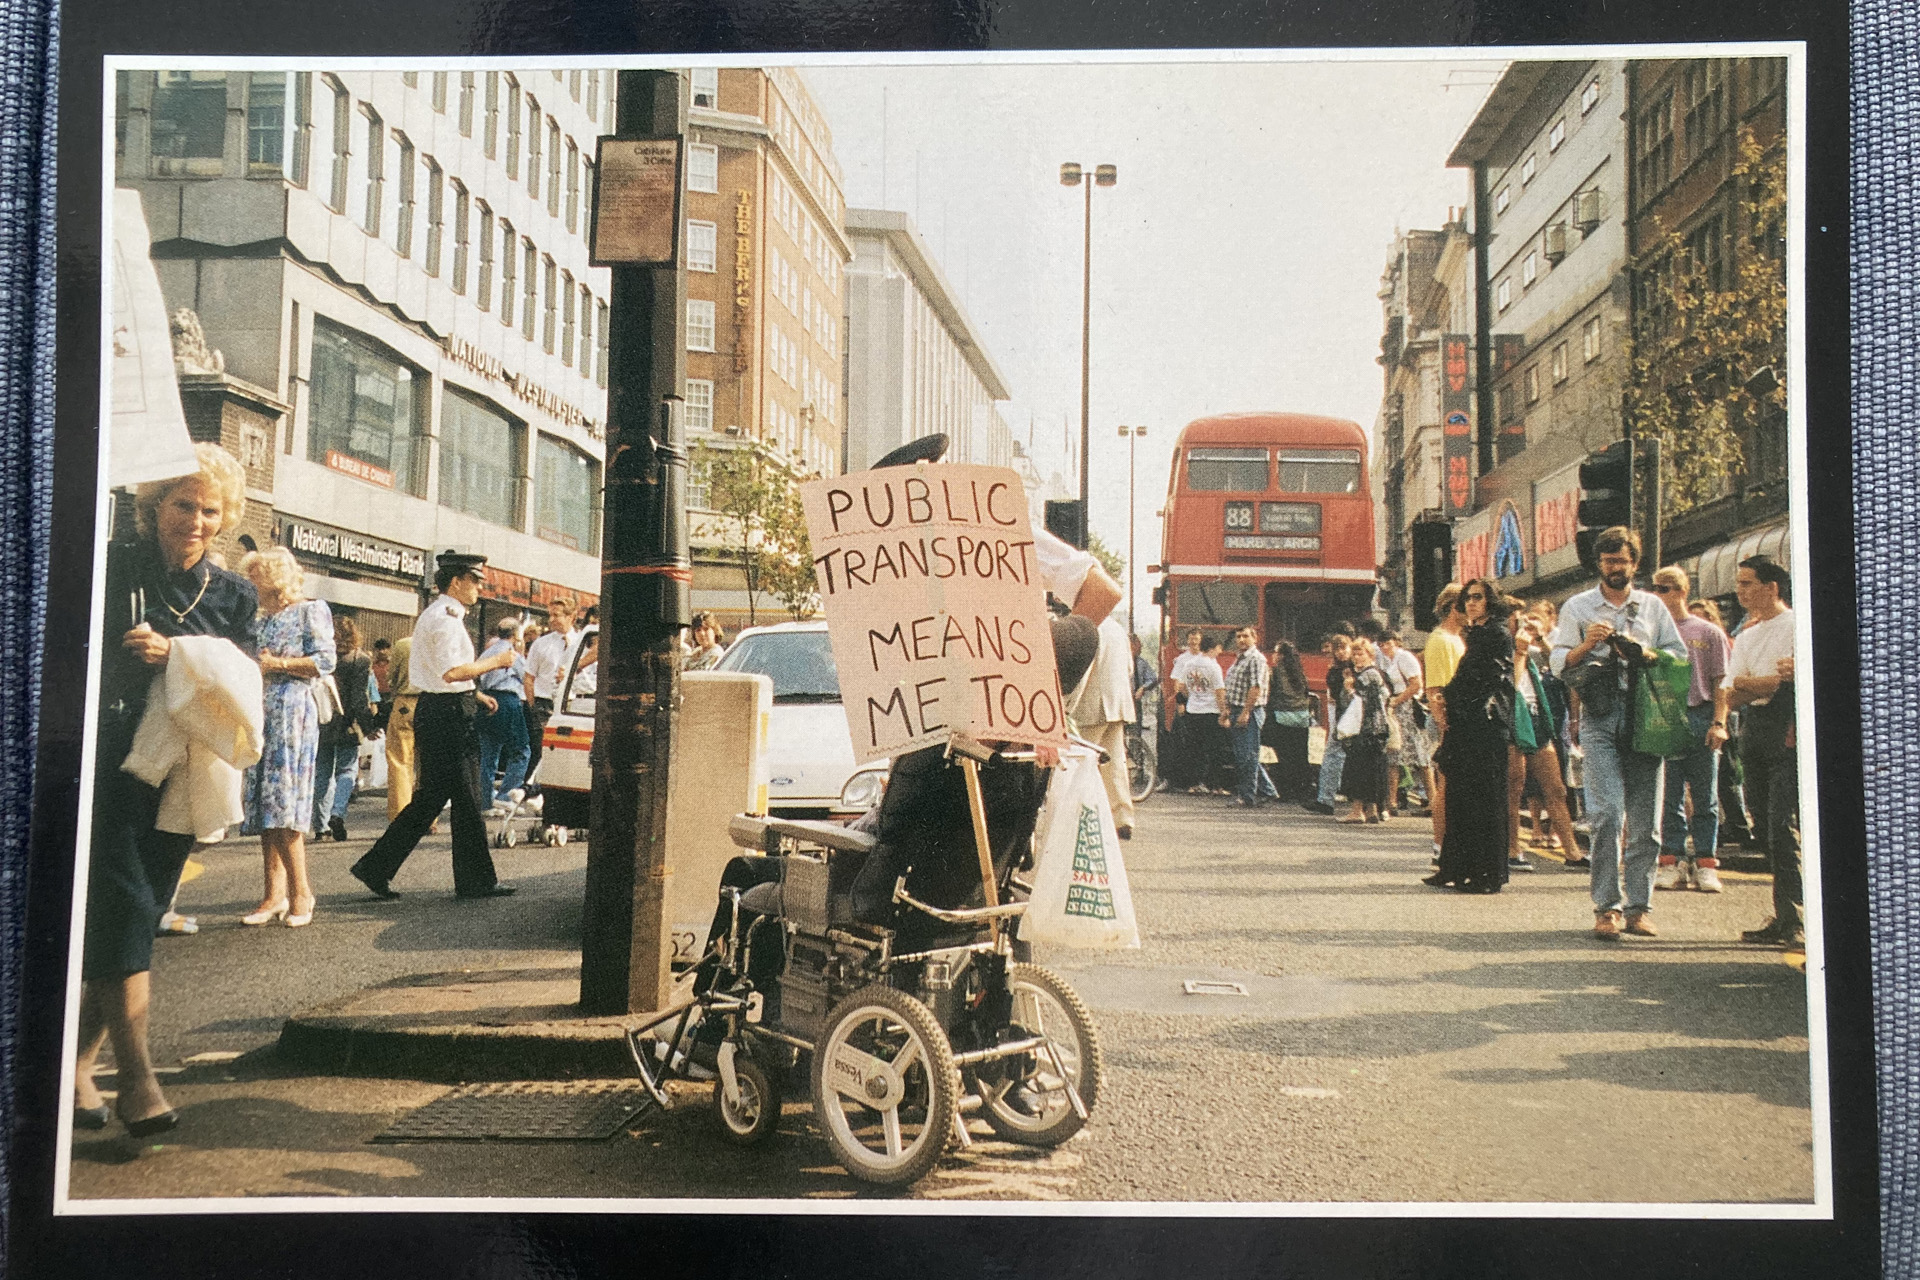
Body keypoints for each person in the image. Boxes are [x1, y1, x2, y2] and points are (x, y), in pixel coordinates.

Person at [76, 443, 258, 1139]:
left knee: (141, 913)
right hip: (109, 763)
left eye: (211, 509)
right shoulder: (113, 566)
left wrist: (179, 656)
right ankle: (139, 1082)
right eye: (184, 504)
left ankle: (79, 1067)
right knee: (122, 906)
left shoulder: (234, 593)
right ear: (155, 505)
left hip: (182, 773)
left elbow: (244, 681)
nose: (197, 520)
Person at [350, 551, 521, 900]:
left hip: (442, 708)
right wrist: (497, 662)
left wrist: (475, 695)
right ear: (456, 582)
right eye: (474, 580)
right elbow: (451, 672)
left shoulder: (443, 615)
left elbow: (450, 676)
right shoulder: (445, 619)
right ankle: (475, 881)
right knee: (468, 798)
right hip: (447, 714)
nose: (478, 587)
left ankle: (375, 867)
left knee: (430, 799)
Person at [1549, 527, 1686, 940]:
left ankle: (1639, 908)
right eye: (1608, 562)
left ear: (1634, 564)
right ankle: (1606, 907)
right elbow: (1558, 664)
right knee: (1607, 815)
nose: (1615, 568)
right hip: (1600, 716)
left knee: (1647, 822)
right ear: (1598, 564)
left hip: (1645, 715)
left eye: (1622, 561)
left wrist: (1645, 652)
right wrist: (1586, 646)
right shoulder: (1577, 606)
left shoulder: (1652, 607)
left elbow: (1677, 657)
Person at [238, 546, 337, 929]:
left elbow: (325, 661)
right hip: (262, 710)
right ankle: (273, 893)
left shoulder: (311, 610)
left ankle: (302, 892)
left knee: (284, 802)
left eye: (256, 576)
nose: (251, 585)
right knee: (266, 804)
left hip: (293, 711)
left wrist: (276, 663)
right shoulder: (262, 618)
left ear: (274, 577)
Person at [1726, 555, 1802, 946]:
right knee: (1762, 827)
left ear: (1772, 588)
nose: (1740, 591)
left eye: (1747, 583)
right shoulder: (1747, 635)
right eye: (1739, 583)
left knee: (1781, 826)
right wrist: (1757, 683)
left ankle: (1798, 918)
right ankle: (1786, 913)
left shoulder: (1796, 626)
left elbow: (1784, 684)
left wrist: (1750, 682)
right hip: (1752, 732)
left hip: (1784, 729)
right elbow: (1731, 693)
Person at [1427, 583, 1515, 893]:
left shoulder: (1496, 634)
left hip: (1485, 725)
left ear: (1491, 600)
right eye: (1468, 598)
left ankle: (1485, 874)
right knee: (1460, 797)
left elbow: (1487, 679)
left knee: (1484, 800)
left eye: (1478, 597)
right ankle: (1454, 868)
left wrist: (1448, 697)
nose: (1472, 603)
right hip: (1468, 722)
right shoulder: (1477, 634)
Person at [1652, 565, 1732, 893]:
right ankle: (1672, 861)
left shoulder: (1707, 632)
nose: (1658, 595)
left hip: (1700, 715)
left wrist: (1719, 722)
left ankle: (1705, 862)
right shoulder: (1653, 633)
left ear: (1683, 591)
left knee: (1704, 795)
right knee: (1668, 796)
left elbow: (1721, 682)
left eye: (1665, 589)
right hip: (1665, 717)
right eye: (1655, 589)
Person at [1505, 603, 1578, 874]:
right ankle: (1513, 849)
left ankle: (1572, 851)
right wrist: (1520, 650)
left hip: (1537, 718)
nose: (1523, 623)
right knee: (1514, 786)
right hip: (1513, 717)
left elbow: (1560, 668)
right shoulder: (1503, 649)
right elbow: (1511, 683)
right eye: (1517, 620)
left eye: (1527, 618)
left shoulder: (1534, 648)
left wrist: (1541, 639)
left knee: (1555, 788)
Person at [1068, 616, 1139, 835]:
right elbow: (1129, 668)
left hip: (1092, 705)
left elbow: (1081, 673)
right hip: (1117, 704)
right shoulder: (1118, 629)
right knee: (1116, 763)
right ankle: (1123, 818)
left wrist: (1068, 706)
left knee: (1079, 763)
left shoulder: (1087, 627)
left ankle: (1075, 817)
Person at [312, 614, 375, 843]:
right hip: (348, 723)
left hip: (322, 720)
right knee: (347, 770)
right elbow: (360, 698)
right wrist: (368, 725)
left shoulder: (320, 658)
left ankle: (320, 826)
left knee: (322, 772)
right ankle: (338, 813)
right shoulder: (360, 659)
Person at [1423, 584, 1468, 858]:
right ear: (1454, 607)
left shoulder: (1457, 639)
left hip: (1461, 719)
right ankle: (1440, 844)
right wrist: (1445, 727)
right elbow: (1435, 691)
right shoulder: (1440, 640)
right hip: (1450, 722)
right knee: (1446, 785)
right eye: (1468, 602)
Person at [523, 597, 582, 795]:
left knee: (568, 755)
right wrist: (533, 707)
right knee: (545, 752)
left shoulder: (581, 644)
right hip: (543, 704)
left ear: (571, 617)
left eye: (556, 615)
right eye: (550, 615)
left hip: (570, 705)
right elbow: (529, 678)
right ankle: (539, 795)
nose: (551, 620)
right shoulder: (541, 644)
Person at [476, 618, 532, 812]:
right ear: (516, 635)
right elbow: (527, 676)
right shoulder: (511, 654)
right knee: (522, 749)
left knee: (489, 755)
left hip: (486, 699)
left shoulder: (487, 652)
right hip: (508, 700)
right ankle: (505, 794)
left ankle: (485, 802)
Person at [1219, 626, 1279, 808]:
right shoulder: (1239, 659)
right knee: (1243, 755)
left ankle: (1247, 796)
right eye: (1238, 637)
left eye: (1245, 636)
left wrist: (1246, 711)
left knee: (1248, 755)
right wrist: (1228, 709)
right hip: (1237, 709)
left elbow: (1255, 688)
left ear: (1255, 638)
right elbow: (1233, 687)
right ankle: (1268, 790)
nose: (1241, 640)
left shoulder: (1255, 659)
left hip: (1250, 711)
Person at [1339, 638, 1393, 824]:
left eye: (1360, 653)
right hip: (1377, 728)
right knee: (1373, 768)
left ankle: (1356, 811)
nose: (1356, 657)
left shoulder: (1365, 676)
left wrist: (1349, 689)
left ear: (1370, 654)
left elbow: (1358, 703)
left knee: (1358, 767)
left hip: (1364, 728)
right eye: (1354, 654)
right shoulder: (1377, 673)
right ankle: (1371, 810)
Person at [1378, 630, 1431, 817]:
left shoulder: (1405, 657)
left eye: (1388, 643)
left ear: (1396, 643)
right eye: (1382, 644)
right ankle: (1391, 802)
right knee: (1395, 754)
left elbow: (1416, 685)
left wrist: (1396, 700)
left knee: (1420, 755)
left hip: (1408, 707)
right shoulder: (1390, 660)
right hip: (1398, 708)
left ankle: (1433, 801)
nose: (1384, 647)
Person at [1170, 630, 1226, 794]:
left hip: (1193, 709)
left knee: (1194, 749)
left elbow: (1181, 687)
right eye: (1218, 648)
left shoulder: (1189, 664)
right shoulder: (1213, 666)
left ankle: (1193, 784)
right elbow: (1220, 692)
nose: (1220, 651)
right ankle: (1216, 786)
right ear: (1213, 648)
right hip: (1211, 710)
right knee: (1215, 750)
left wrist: (1193, 696)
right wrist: (1223, 712)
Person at [1306, 633, 1356, 815]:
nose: (1341, 652)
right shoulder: (1335, 670)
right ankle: (1325, 799)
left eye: (1344, 648)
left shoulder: (1355, 668)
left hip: (1354, 719)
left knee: (1338, 755)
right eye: (1337, 649)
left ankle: (1327, 799)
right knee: (1333, 754)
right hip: (1343, 717)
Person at [1262, 639, 1314, 801]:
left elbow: (1271, 695)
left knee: (1285, 756)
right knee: (1300, 756)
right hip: (1301, 718)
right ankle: (1303, 790)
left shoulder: (1275, 672)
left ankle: (1287, 792)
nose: (1274, 655)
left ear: (1282, 656)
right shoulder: (1300, 672)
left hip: (1282, 716)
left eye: (1276, 652)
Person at [383, 634, 421, 822]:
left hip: (406, 702)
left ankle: (401, 816)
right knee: (429, 762)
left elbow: (391, 675)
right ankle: (428, 818)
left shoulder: (404, 644)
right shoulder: (440, 642)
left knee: (400, 761)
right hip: (434, 703)